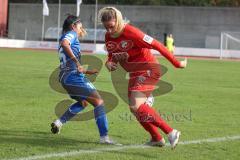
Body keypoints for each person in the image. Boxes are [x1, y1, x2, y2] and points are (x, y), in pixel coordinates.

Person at [98, 7, 187, 148]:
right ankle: (157, 138)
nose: (109, 30)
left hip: (149, 69)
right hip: (135, 74)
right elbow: (111, 56)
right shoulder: (108, 36)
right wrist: (109, 63)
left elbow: (157, 45)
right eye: (105, 27)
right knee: (134, 109)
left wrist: (177, 63)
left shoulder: (132, 32)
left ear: (118, 21)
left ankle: (171, 132)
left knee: (136, 105)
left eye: (111, 26)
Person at [50, 15, 116, 145]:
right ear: (74, 26)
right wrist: (76, 61)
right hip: (73, 77)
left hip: (66, 77)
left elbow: (66, 60)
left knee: (83, 103)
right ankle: (104, 137)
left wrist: (84, 70)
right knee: (99, 102)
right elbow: (65, 44)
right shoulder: (71, 34)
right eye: (80, 26)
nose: (82, 29)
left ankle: (59, 122)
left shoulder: (68, 36)